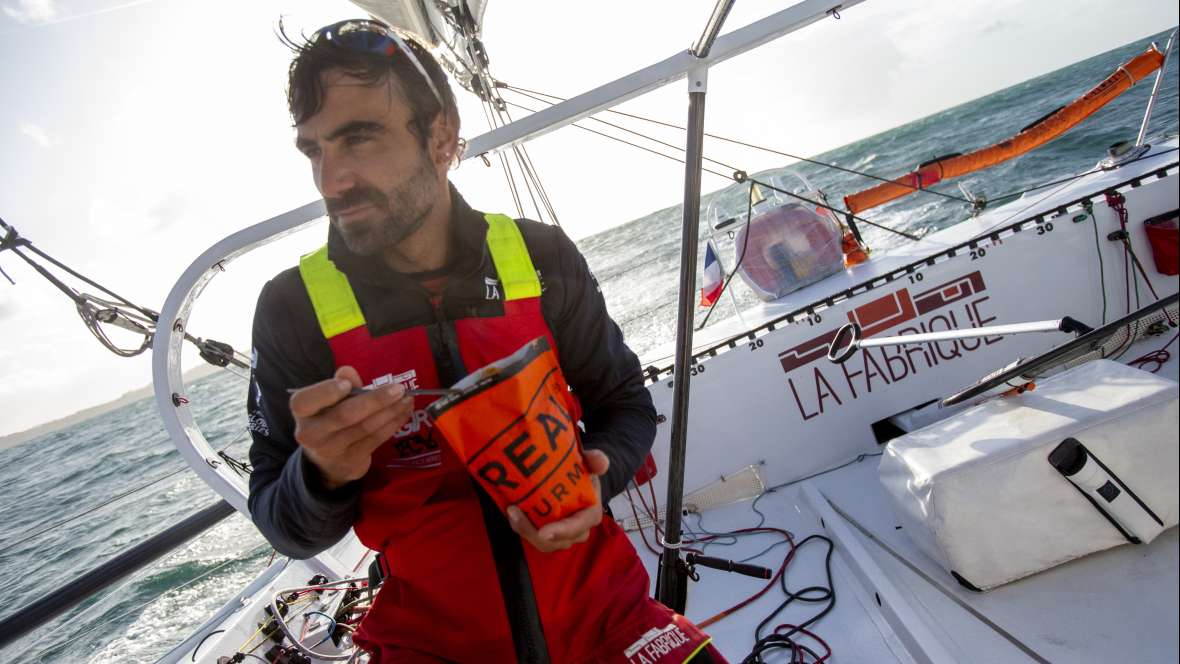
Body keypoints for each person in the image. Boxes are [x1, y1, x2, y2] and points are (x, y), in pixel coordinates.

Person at [247, 19, 725, 664]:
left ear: (441, 137)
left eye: (359, 138)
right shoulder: (293, 307)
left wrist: (595, 484)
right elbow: (284, 523)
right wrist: (323, 472)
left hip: (609, 614)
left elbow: (625, 403)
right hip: (433, 646)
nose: (331, 180)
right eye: (315, 151)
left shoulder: (539, 255)